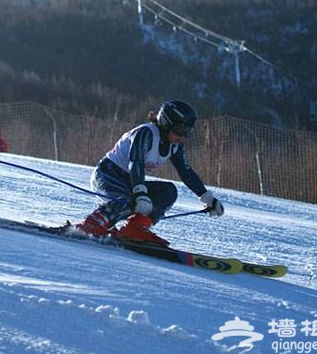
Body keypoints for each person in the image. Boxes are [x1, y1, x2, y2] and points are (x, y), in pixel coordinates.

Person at [77, 99, 224, 245]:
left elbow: (186, 173)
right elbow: (136, 162)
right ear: (167, 124)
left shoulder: (175, 146)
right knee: (128, 199)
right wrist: (140, 193)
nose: (183, 135)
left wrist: (207, 197)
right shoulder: (147, 133)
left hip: (130, 180)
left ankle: (135, 227)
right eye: (181, 129)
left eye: (188, 131)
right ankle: (91, 224)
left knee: (169, 190)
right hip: (107, 174)